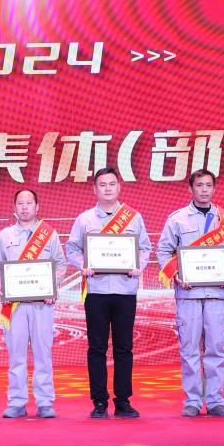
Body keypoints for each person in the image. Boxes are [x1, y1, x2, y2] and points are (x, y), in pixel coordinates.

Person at [156, 169, 224, 417]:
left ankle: (215, 400)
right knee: (190, 349)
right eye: (199, 185)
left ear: (214, 189)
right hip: (189, 295)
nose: (204, 190)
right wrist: (176, 274)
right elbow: (163, 251)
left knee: (216, 349)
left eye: (208, 185)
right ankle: (193, 401)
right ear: (190, 189)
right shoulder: (178, 219)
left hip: (218, 294)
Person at [65, 167, 153, 419]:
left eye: (111, 184)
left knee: (124, 347)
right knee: (97, 347)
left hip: (125, 290)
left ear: (119, 187)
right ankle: (100, 401)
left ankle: (123, 400)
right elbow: (72, 248)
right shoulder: (84, 219)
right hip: (96, 291)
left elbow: (145, 247)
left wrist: (138, 265)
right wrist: (83, 265)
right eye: (102, 184)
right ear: (94, 189)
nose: (107, 188)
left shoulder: (133, 217)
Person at [0, 188, 66, 418]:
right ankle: (16, 402)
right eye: (20, 203)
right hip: (15, 306)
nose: (24, 207)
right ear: (14, 208)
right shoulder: (5, 235)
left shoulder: (49, 234)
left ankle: (45, 402)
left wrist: (53, 286)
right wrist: (2, 286)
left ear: (37, 207)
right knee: (17, 355)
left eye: (29, 203)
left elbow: (60, 264)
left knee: (43, 354)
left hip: (42, 304)